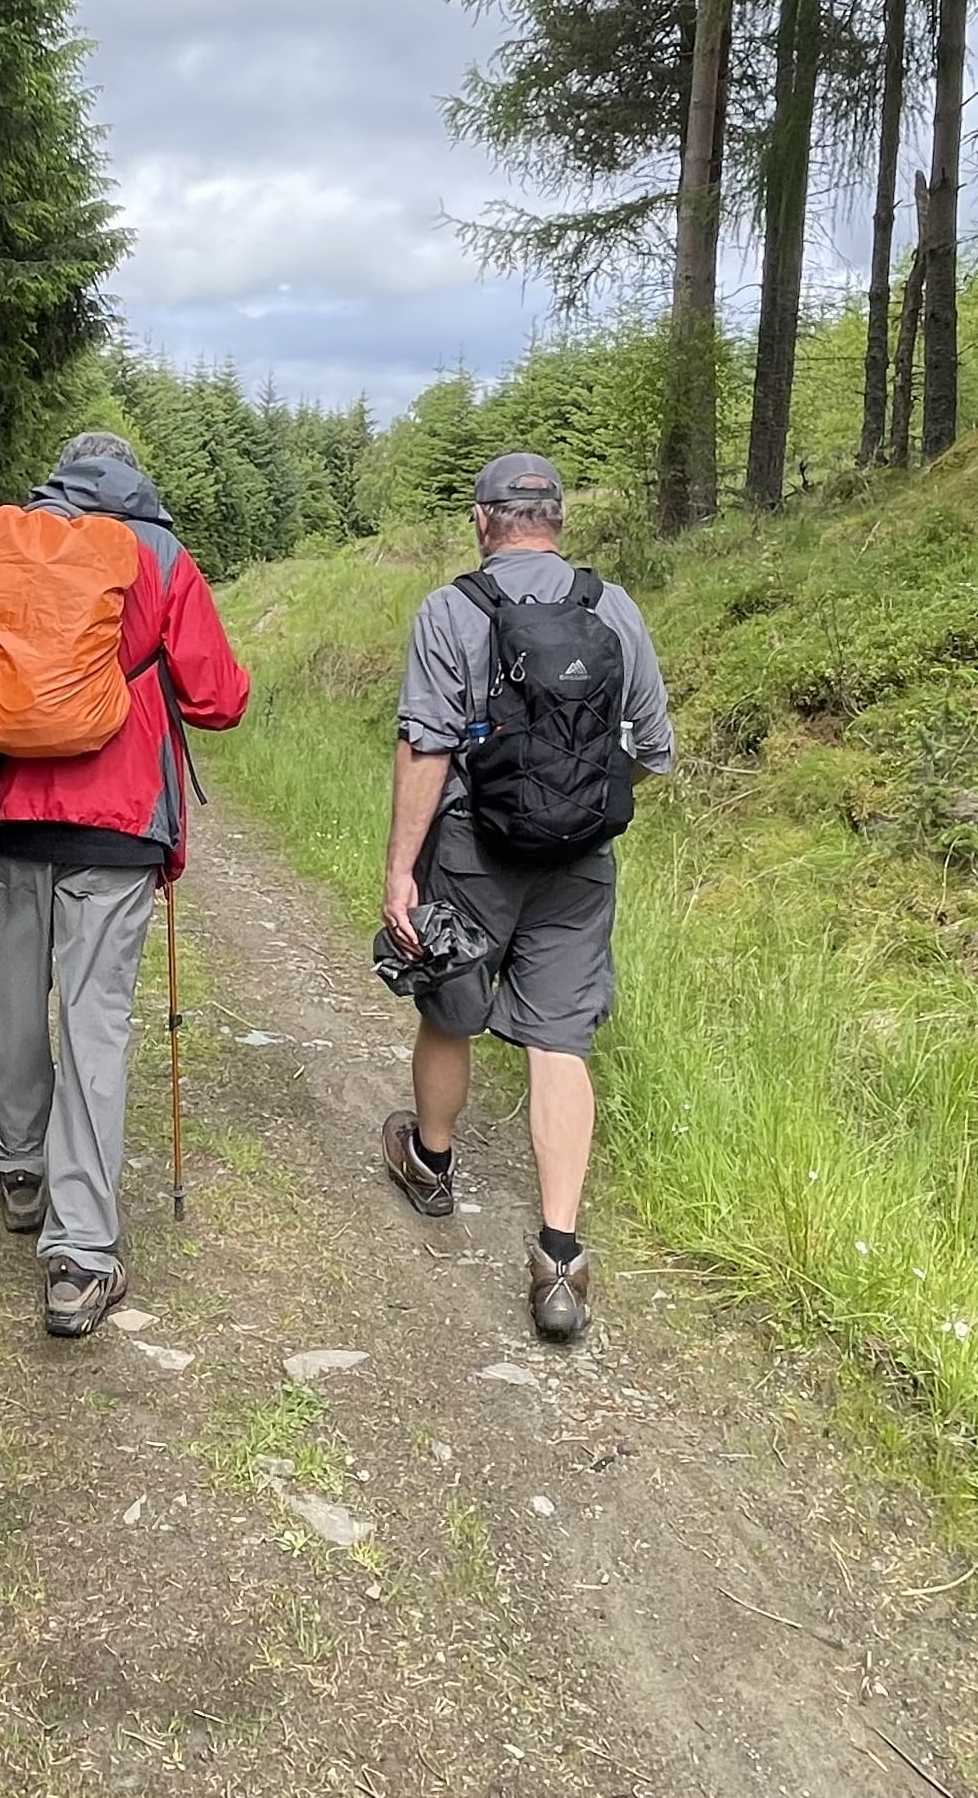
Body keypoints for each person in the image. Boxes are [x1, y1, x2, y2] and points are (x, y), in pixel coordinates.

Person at [0, 432, 251, 1336]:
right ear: (138, 479)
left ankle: (19, 1168)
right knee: (95, 1026)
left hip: (9, 818)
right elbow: (219, 699)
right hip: (120, 826)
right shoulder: (160, 554)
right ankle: (80, 1254)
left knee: (12, 996)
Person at [377, 451, 673, 1342]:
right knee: (560, 1041)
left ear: (482, 521)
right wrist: (571, 809)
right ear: (558, 518)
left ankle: (431, 1167)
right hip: (581, 864)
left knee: (448, 1012)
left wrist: (402, 868)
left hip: (471, 852)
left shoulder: (451, 609)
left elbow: (427, 748)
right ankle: (558, 1256)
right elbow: (651, 744)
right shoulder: (611, 607)